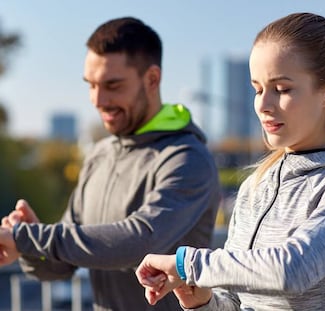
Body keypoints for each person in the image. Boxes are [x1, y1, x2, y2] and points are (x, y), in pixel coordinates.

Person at [135, 12, 325, 310]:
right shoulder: (256, 187)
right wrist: (202, 301)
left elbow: (292, 270)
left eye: (282, 89)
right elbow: (235, 301)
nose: (264, 105)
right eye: (257, 89)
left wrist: (187, 263)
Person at [0, 17, 221, 311]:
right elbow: (58, 268)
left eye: (112, 85)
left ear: (152, 80)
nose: (98, 99)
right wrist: (28, 247)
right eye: (91, 85)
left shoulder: (187, 158)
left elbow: (138, 242)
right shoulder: (99, 155)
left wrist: (30, 237)